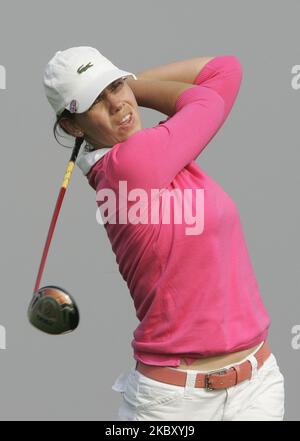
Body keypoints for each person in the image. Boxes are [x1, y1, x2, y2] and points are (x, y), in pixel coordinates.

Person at [43, 46, 285, 421]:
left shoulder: (158, 155)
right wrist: (131, 90)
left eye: (114, 86)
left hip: (256, 386)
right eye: (95, 100)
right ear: (73, 126)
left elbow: (225, 68)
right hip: (176, 403)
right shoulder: (131, 165)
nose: (117, 105)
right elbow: (206, 97)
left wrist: (125, 87)